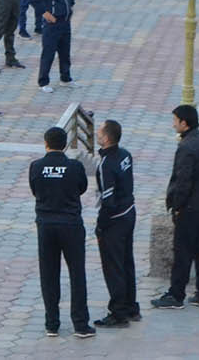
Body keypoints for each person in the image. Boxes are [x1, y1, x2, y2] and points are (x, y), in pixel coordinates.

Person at [29, 126, 95, 338]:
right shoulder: (75, 167)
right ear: (65, 145)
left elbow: (35, 190)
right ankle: (80, 324)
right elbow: (82, 187)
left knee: (49, 274)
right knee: (77, 273)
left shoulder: (36, 167)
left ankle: (52, 323)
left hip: (46, 225)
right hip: (71, 225)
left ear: (46, 144)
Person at [153, 104, 199, 311]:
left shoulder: (187, 147)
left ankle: (176, 295)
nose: (173, 125)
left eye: (175, 120)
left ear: (184, 122)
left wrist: (177, 206)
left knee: (182, 252)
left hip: (189, 208)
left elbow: (183, 181)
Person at [92, 119, 139, 327]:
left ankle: (118, 312)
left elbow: (107, 200)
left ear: (106, 138)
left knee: (113, 266)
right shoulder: (125, 155)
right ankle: (131, 307)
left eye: (99, 131)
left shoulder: (106, 164)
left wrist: (100, 225)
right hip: (129, 212)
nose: (97, 133)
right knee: (127, 261)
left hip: (115, 220)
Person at [29, 0, 74, 93]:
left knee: (65, 51)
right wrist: (45, 13)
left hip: (65, 19)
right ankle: (43, 81)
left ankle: (65, 78)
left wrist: (70, 6)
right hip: (52, 22)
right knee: (48, 52)